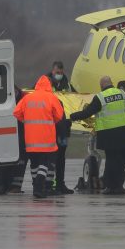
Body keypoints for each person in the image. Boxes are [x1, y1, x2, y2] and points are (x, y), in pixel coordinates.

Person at [70, 76, 125, 195]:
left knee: (111, 161)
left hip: (109, 135)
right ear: (112, 83)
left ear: (101, 86)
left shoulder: (100, 97)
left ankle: (111, 187)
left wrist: (72, 116)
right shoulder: (123, 94)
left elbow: (87, 113)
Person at [12, 75, 65, 199]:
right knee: (45, 163)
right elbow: (59, 115)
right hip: (46, 138)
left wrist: (25, 120)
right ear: (49, 86)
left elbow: (16, 112)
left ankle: (36, 186)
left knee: (34, 164)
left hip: (30, 139)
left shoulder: (27, 98)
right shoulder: (51, 98)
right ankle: (39, 186)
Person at [44, 61, 74, 195]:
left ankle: (60, 184)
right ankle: (50, 184)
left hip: (63, 126)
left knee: (61, 157)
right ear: (52, 71)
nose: (59, 75)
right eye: (57, 73)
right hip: (50, 126)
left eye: (61, 73)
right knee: (51, 157)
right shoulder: (45, 83)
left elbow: (74, 100)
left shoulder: (67, 84)